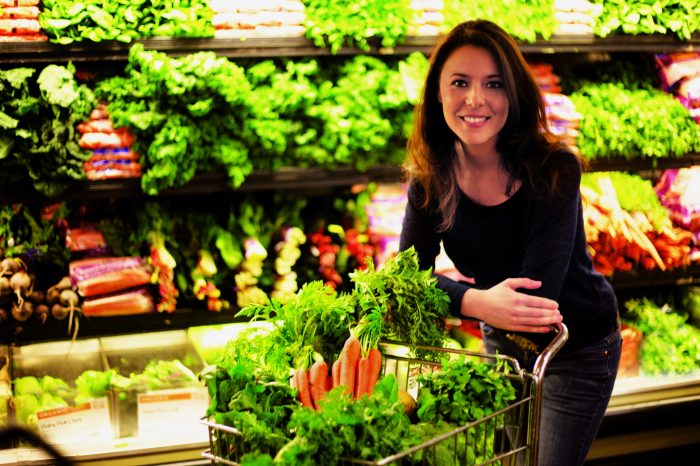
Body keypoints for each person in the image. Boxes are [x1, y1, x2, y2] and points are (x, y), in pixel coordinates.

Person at [398, 19, 622, 466]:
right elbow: (404, 281)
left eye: (493, 84)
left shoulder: (554, 168)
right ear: (438, 94)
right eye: (459, 82)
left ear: (513, 93)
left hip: (575, 349)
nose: (475, 99)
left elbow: (534, 302)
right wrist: (479, 304)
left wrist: (458, 298)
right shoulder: (431, 177)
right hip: (501, 346)